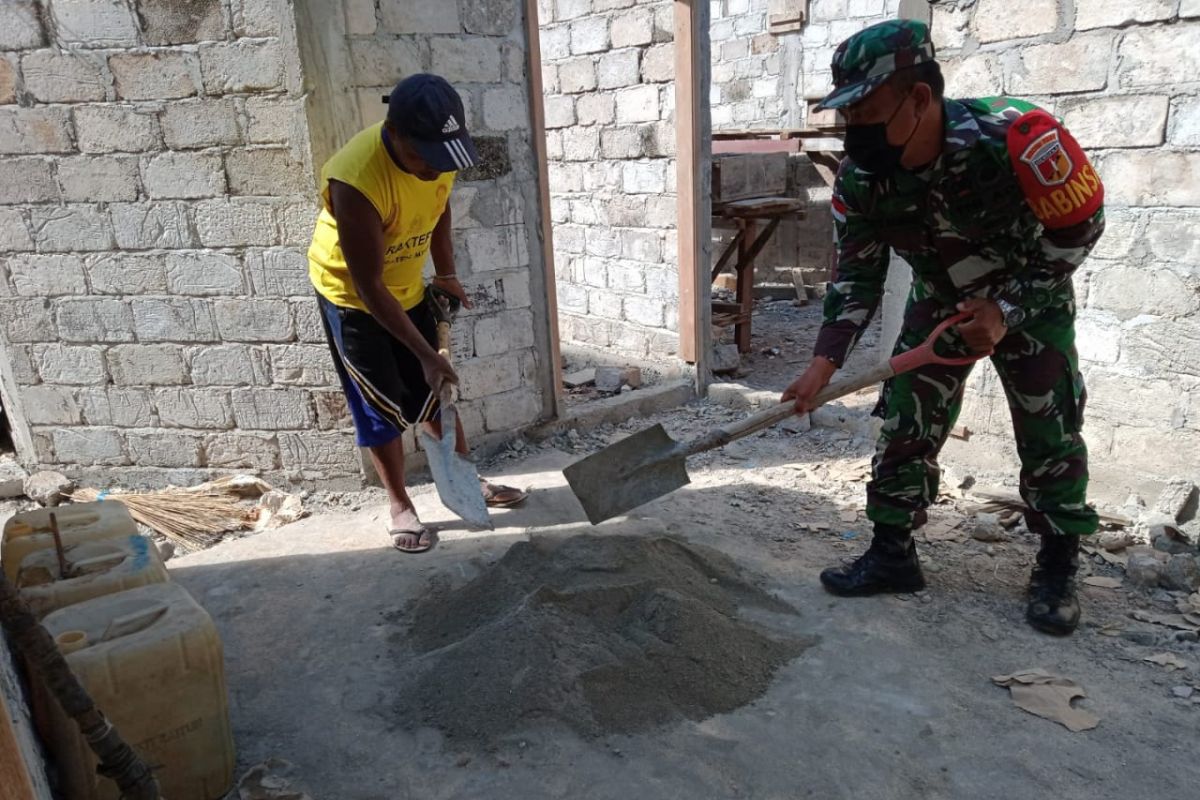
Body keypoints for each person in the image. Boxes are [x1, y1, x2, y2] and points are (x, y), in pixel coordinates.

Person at [783, 20, 1105, 635]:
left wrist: (1005, 310)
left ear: (919, 99)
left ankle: (1059, 561)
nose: (855, 131)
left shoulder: (1018, 137)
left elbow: (1079, 231)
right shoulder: (861, 180)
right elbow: (856, 277)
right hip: (941, 300)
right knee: (906, 418)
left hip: (1029, 298)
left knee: (1049, 423)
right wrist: (823, 363)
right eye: (847, 115)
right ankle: (892, 552)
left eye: (866, 111)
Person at [308, 73, 527, 555]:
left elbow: (438, 206)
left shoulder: (440, 153)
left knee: (437, 393)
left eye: (442, 160)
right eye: (422, 159)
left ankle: (463, 480)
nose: (433, 169)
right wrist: (426, 353)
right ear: (394, 133)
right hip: (353, 296)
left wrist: (445, 273)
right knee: (380, 402)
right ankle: (399, 503)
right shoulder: (356, 179)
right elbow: (369, 285)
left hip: (406, 284)